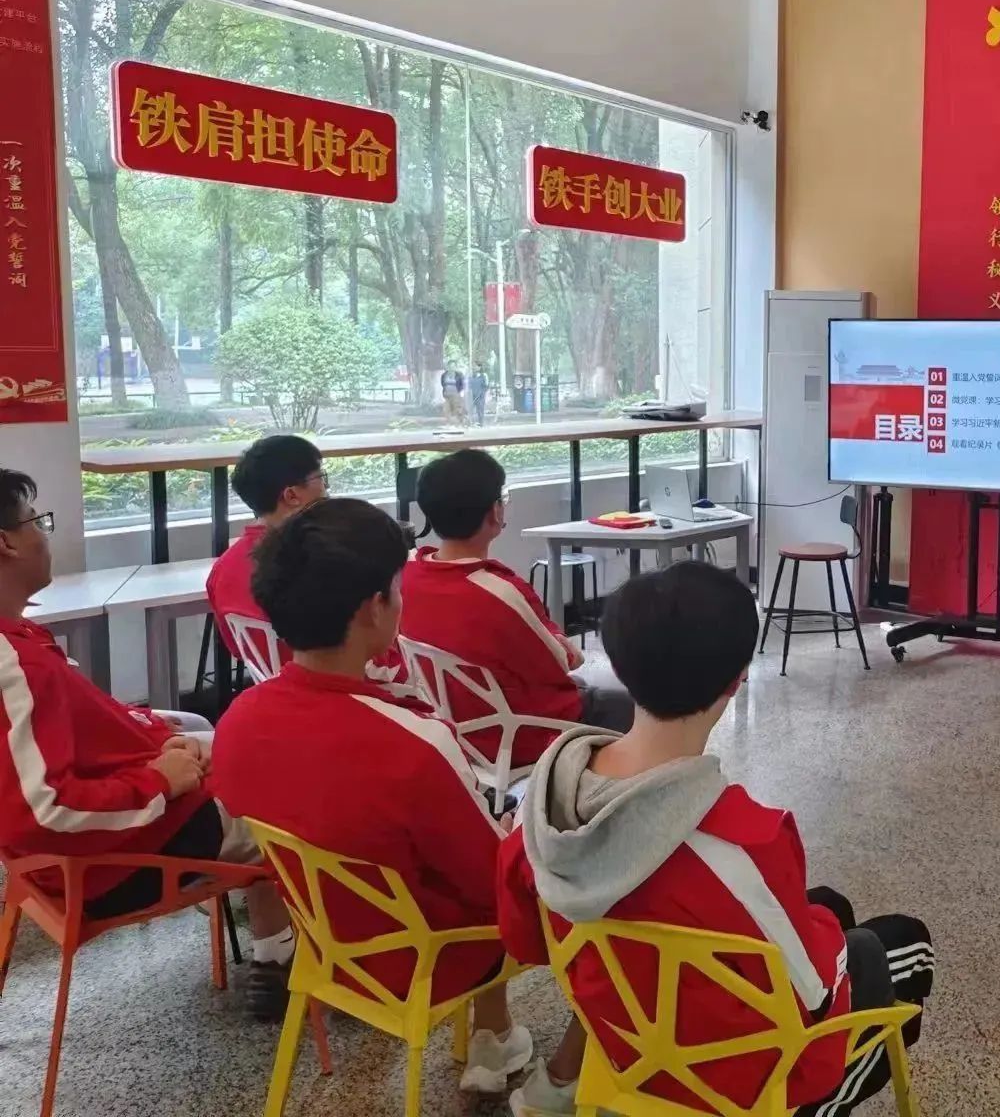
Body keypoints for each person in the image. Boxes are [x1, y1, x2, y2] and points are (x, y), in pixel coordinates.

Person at [497, 561, 932, 1116]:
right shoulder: (747, 842)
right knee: (892, 942)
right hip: (735, 1085)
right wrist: (833, 939)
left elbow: (527, 943)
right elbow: (813, 995)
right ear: (737, 678)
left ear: (622, 668)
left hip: (626, 1033)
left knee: (828, 906)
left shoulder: (540, 810)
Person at [214, 498, 573, 1094]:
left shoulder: (240, 719)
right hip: (429, 957)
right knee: (560, 852)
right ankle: (550, 1067)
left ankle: (497, 1033)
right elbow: (488, 882)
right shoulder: (414, 743)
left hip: (328, 945)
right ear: (372, 608)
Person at [0, 468, 295, 1018]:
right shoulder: (13, 664)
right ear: (6, 544)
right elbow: (44, 810)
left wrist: (161, 738)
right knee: (281, 798)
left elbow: (87, 725)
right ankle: (280, 957)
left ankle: (260, 919)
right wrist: (159, 779)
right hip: (99, 868)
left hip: (72, 849)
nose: (43, 534)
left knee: (210, 735)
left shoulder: (19, 636)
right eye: (36, 522)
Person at [400, 449, 633, 771]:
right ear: (494, 512)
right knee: (634, 706)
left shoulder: (406, 574)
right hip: (521, 734)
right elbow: (564, 661)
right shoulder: (498, 591)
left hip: (453, 731)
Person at [206, 434, 327, 669]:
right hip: (339, 683)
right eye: (321, 478)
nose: (326, 489)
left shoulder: (222, 569)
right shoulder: (321, 558)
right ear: (291, 495)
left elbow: (237, 649)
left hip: (270, 682)